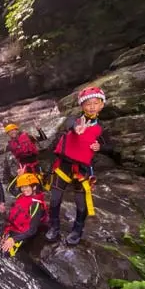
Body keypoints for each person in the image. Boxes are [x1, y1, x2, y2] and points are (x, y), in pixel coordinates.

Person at [46, 86, 112, 246]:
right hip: (63, 166)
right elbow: (69, 123)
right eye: (88, 104)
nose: (92, 107)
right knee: (54, 199)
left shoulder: (101, 128)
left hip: (82, 169)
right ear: (82, 106)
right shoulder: (74, 120)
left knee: (81, 204)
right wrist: (77, 128)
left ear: (102, 105)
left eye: (95, 103)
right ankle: (54, 227)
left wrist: (100, 147)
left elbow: (111, 146)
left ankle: (77, 231)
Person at [1, 174, 48, 256]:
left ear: (34, 187)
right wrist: (18, 176)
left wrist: (13, 239)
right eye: (22, 187)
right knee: (1, 246)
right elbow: (9, 188)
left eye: (26, 187)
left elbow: (32, 230)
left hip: (23, 233)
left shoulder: (36, 205)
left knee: (5, 254)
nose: (23, 189)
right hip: (13, 228)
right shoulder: (21, 196)